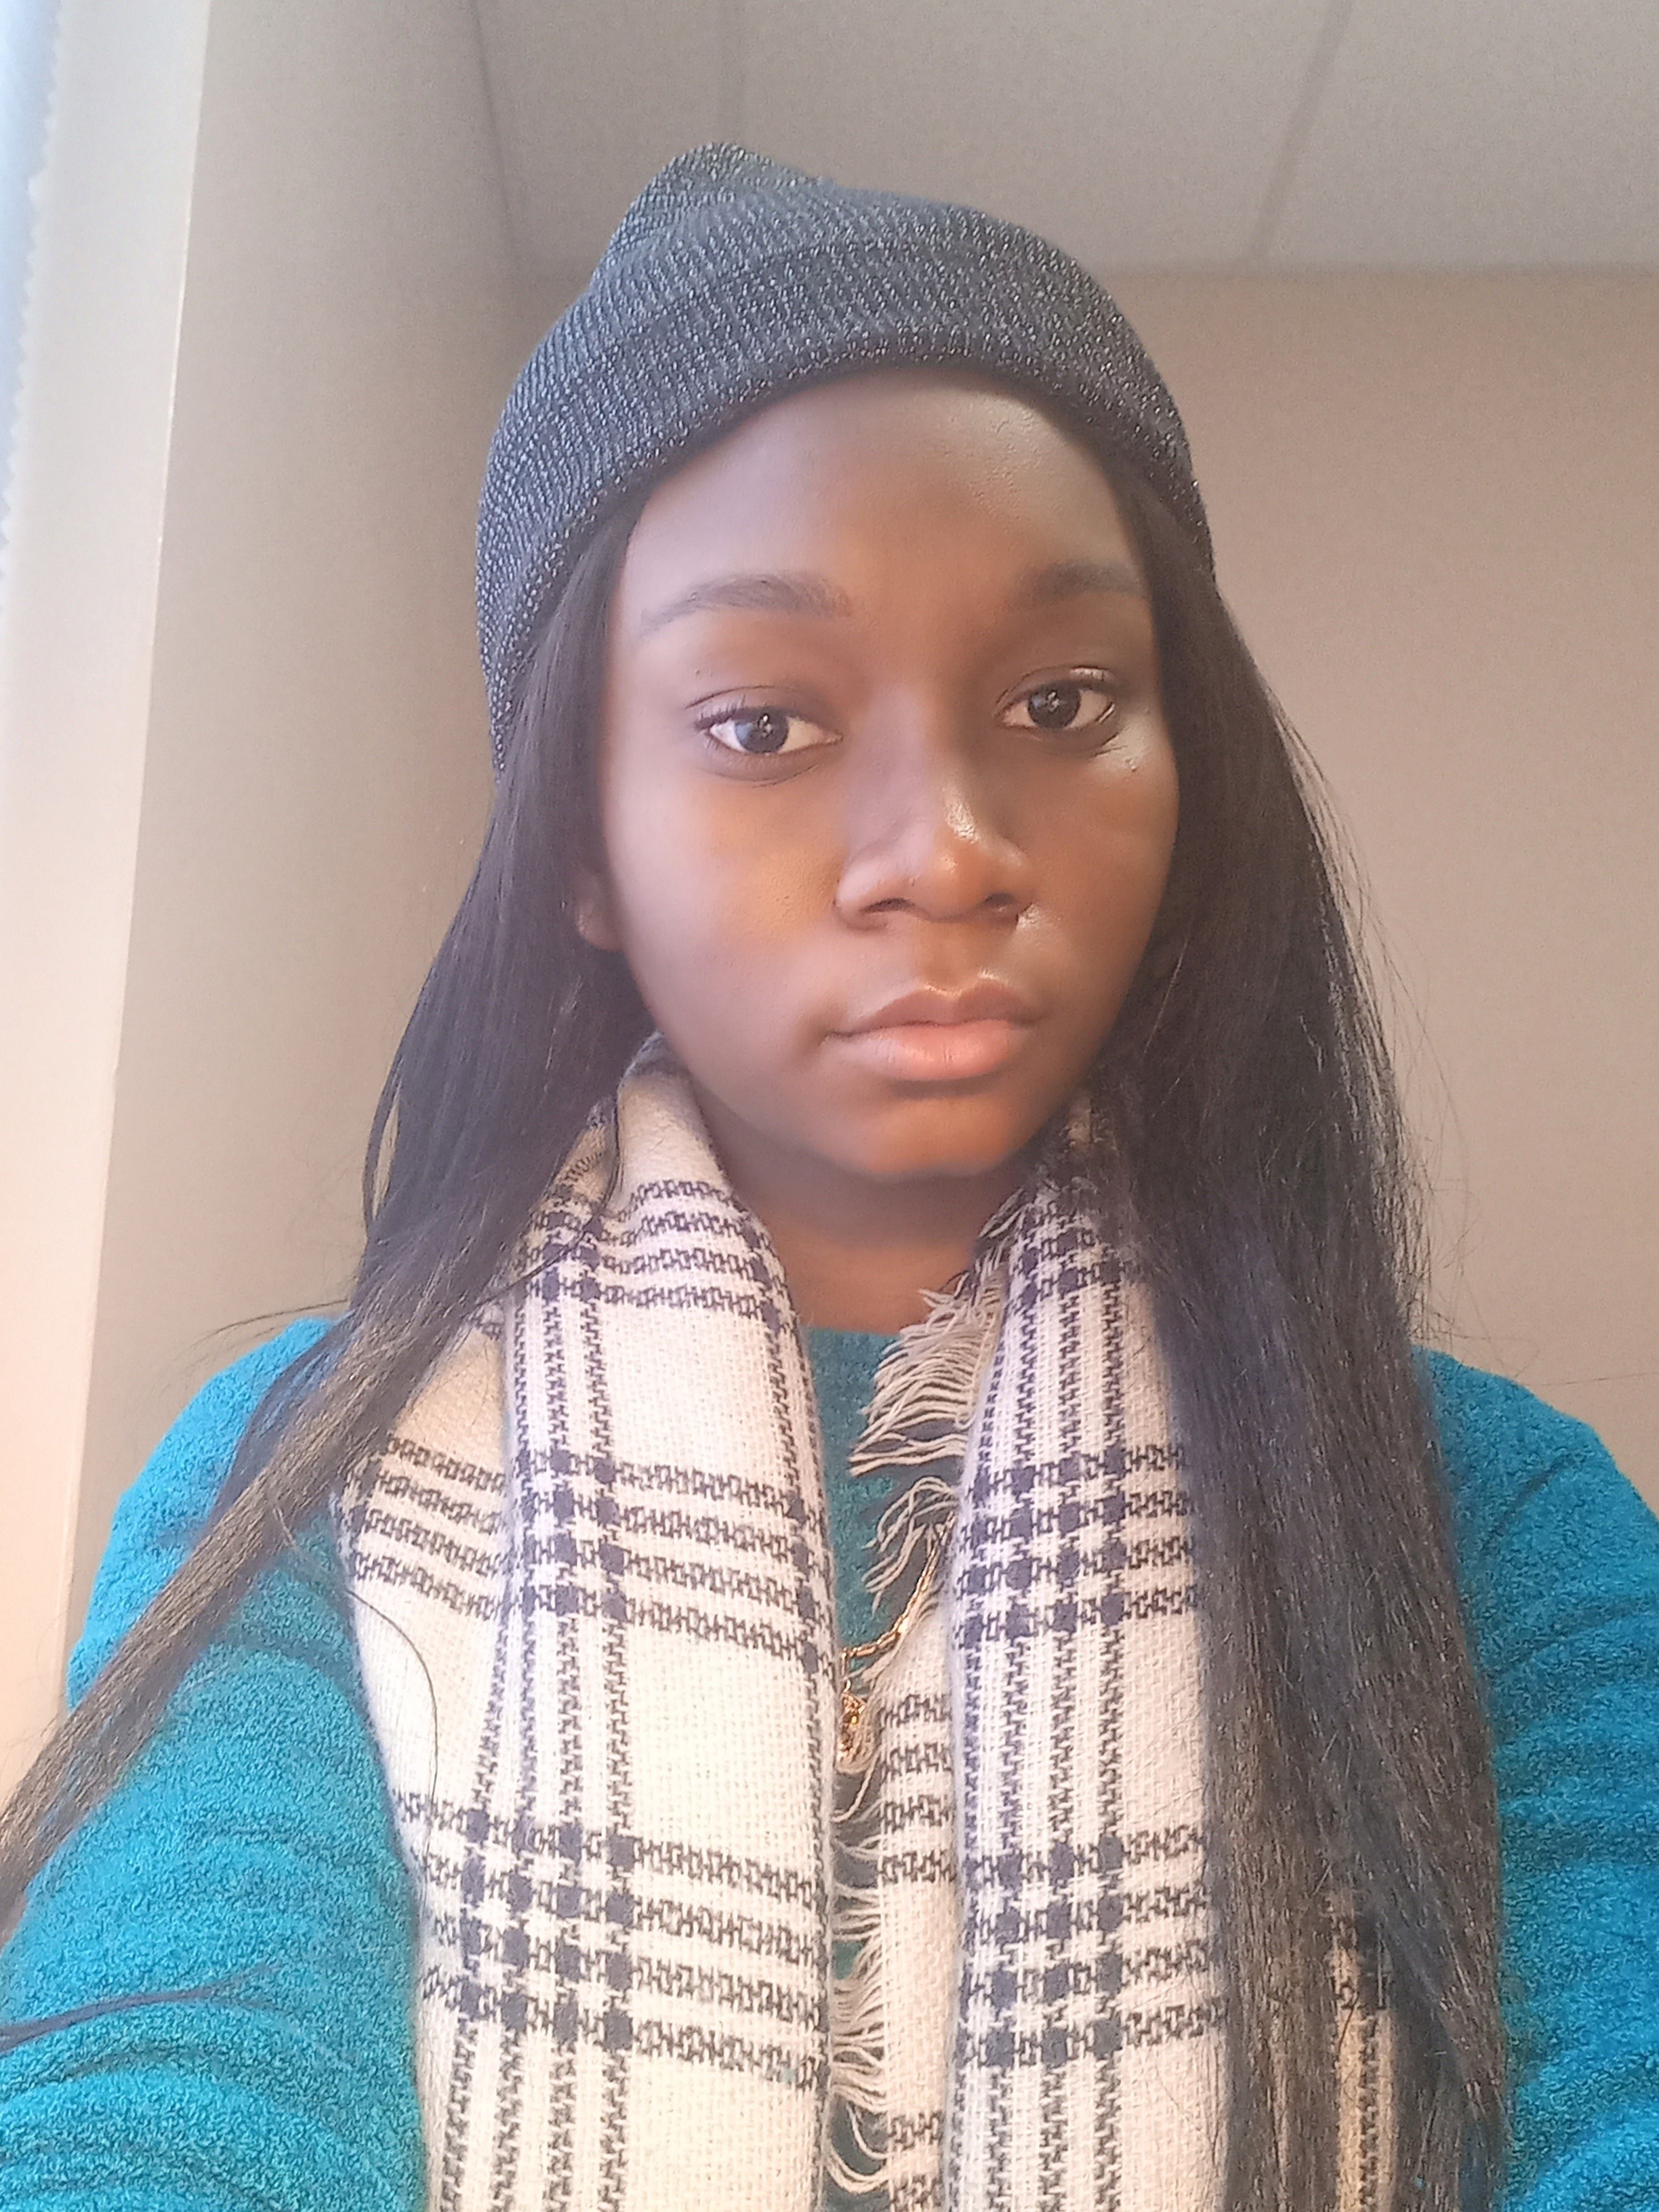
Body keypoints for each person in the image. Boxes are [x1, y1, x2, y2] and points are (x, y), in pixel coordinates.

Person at [0, 143, 1654, 2212]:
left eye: (1061, 701)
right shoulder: (296, 1484)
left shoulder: (1491, 1520)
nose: (944, 847)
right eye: (765, 726)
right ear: (582, 846)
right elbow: (157, 2104)